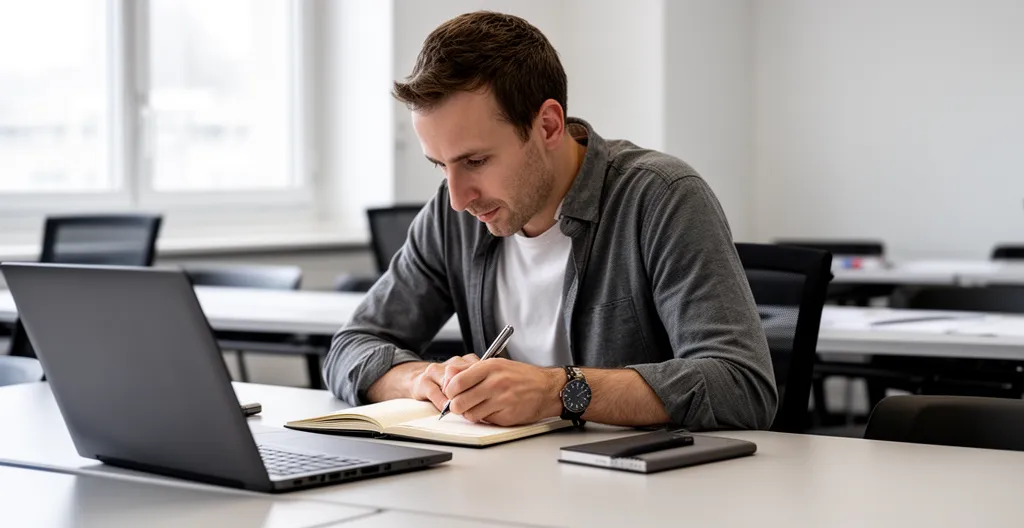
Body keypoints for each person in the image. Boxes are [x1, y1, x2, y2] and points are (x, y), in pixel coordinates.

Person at [323, 11, 777, 430]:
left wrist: (557, 390)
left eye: (476, 161)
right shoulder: (451, 216)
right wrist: (420, 379)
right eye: (441, 166)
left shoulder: (661, 197)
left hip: (645, 481)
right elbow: (351, 346)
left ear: (548, 126)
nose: (458, 198)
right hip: (510, 474)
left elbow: (740, 386)